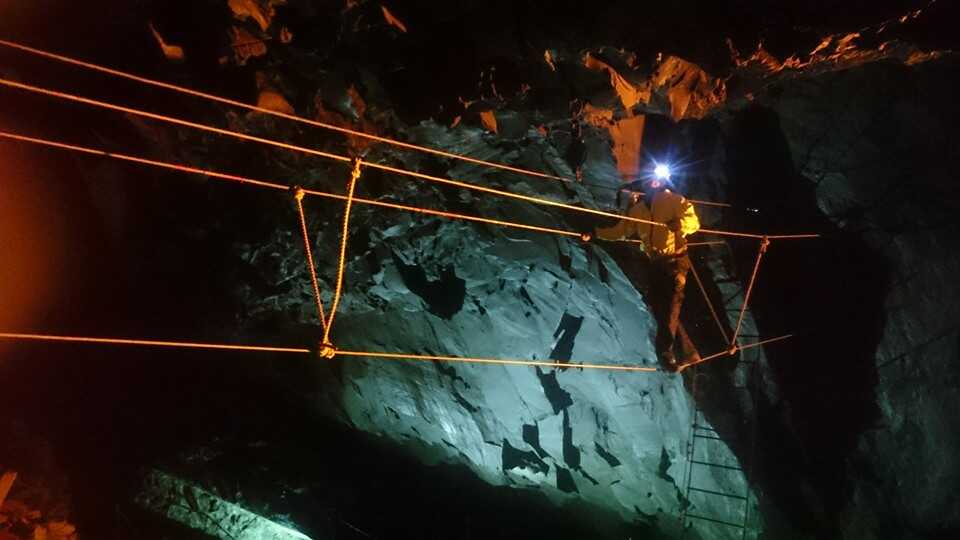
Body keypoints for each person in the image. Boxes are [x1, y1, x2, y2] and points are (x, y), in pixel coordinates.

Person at [587, 172, 700, 370]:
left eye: (656, 180)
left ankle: (666, 354)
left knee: (672, 305)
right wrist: (595, 233)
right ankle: (689, 352)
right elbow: (621, 231)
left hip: (676, 261)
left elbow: (694, 224)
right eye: (650, 180)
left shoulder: (675, 201)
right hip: (655, 263)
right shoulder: (638, 210)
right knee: (660, 309)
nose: (653, 183)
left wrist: (681, 224)